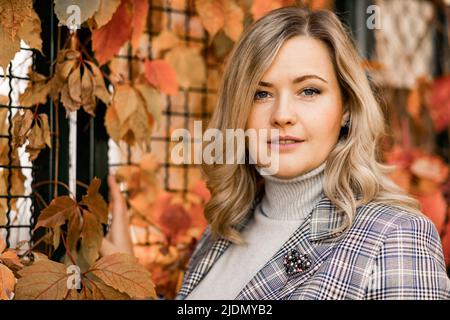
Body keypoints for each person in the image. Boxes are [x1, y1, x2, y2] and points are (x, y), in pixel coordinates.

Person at [107, 7, 450, 299]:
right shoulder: (222, 232)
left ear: (347, 107)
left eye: (309, 91)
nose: (282, 114)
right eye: (261, 94)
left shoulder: (394, 236)